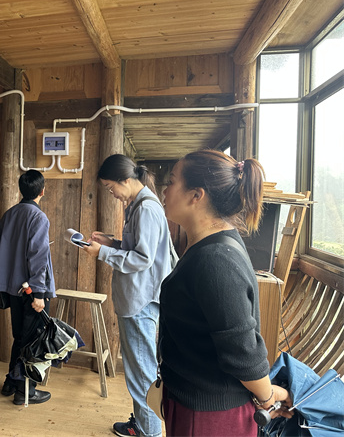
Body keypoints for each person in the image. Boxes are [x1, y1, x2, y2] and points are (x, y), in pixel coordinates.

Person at [159, 149, 293, 437]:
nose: (165, 190)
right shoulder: (209, 246)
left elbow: (243, 350)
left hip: (210, 418)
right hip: (197, 403)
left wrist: (268, 398)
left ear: (196, 195)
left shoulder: (216, 259)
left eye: (171, 182)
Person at [82, 154, 174, 437]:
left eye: (111, 187)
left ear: (125, 180)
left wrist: (103, 252)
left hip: (140, 301)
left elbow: (143, 258)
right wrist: (111, 242)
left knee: (142, 375)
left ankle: (149, 433)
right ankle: (142, 426)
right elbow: (136, 248)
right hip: (136, 299)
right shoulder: (138, 205)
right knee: (138, 372)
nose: (111, 193)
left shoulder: (146, 208)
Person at [0, 169, 55, 405]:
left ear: (21, 190)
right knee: (33, 339)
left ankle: (11, 382)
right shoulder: (38, 217)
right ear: (42, 191)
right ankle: (25, 391)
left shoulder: (9, 214)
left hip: (13, 287)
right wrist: (39, 293)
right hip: (31, 290)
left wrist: (13, 262)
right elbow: (38, 256)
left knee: (19, 336)